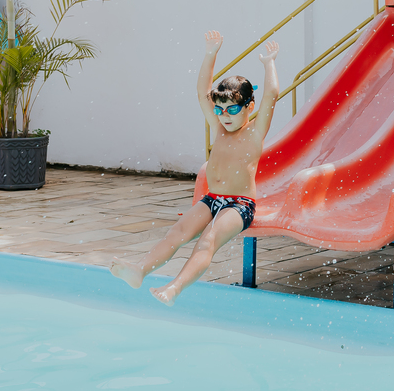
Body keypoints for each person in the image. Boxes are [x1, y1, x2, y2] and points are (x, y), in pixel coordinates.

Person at [110, 30, 279, 304]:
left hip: (240, 205)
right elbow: (203, 94)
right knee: (176, 232)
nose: (224, 116)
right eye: (220, 109)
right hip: (211, 199)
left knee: (207, 241)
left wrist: (269, 63)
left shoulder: (255, 133)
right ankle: (140, 270)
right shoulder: (219, 130)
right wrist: (210, 54)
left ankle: (174, 288)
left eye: (232, 110)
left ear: (249, 107)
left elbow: (271, 94)